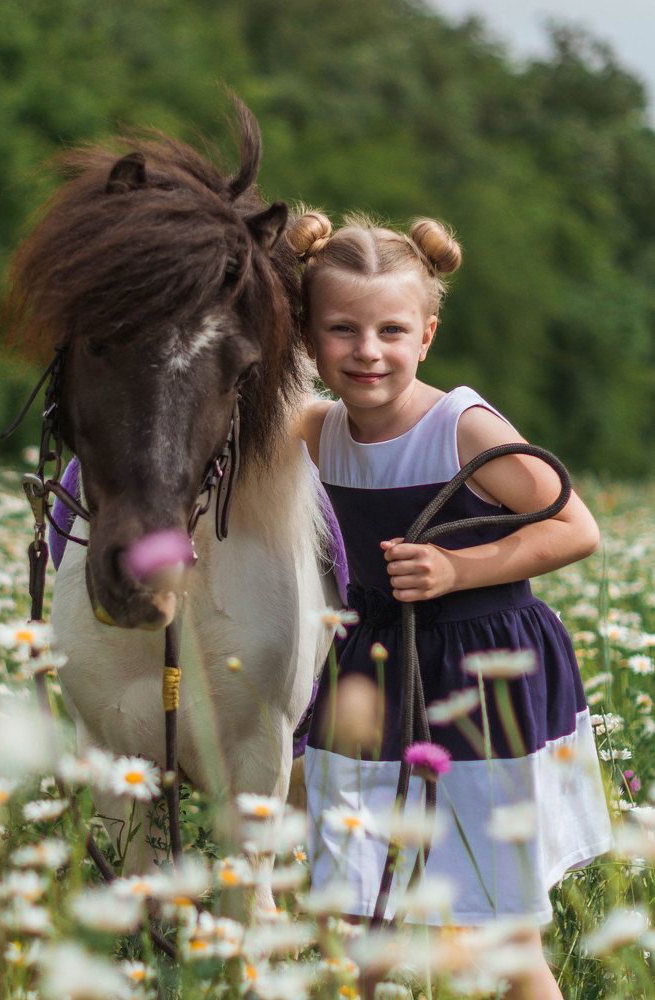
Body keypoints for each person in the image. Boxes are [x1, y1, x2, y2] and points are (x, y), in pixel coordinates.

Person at [288, 211, 613, 1000]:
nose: (368, 351)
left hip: (480, 669)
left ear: (426, 336)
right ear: (304, 337)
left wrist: (454, 567)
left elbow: (574, 528)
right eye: (341, 330)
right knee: (361, 910)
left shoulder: (459, 426)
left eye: (391, 330)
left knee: (501, 928)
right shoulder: (312, 430)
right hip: (370, 671)